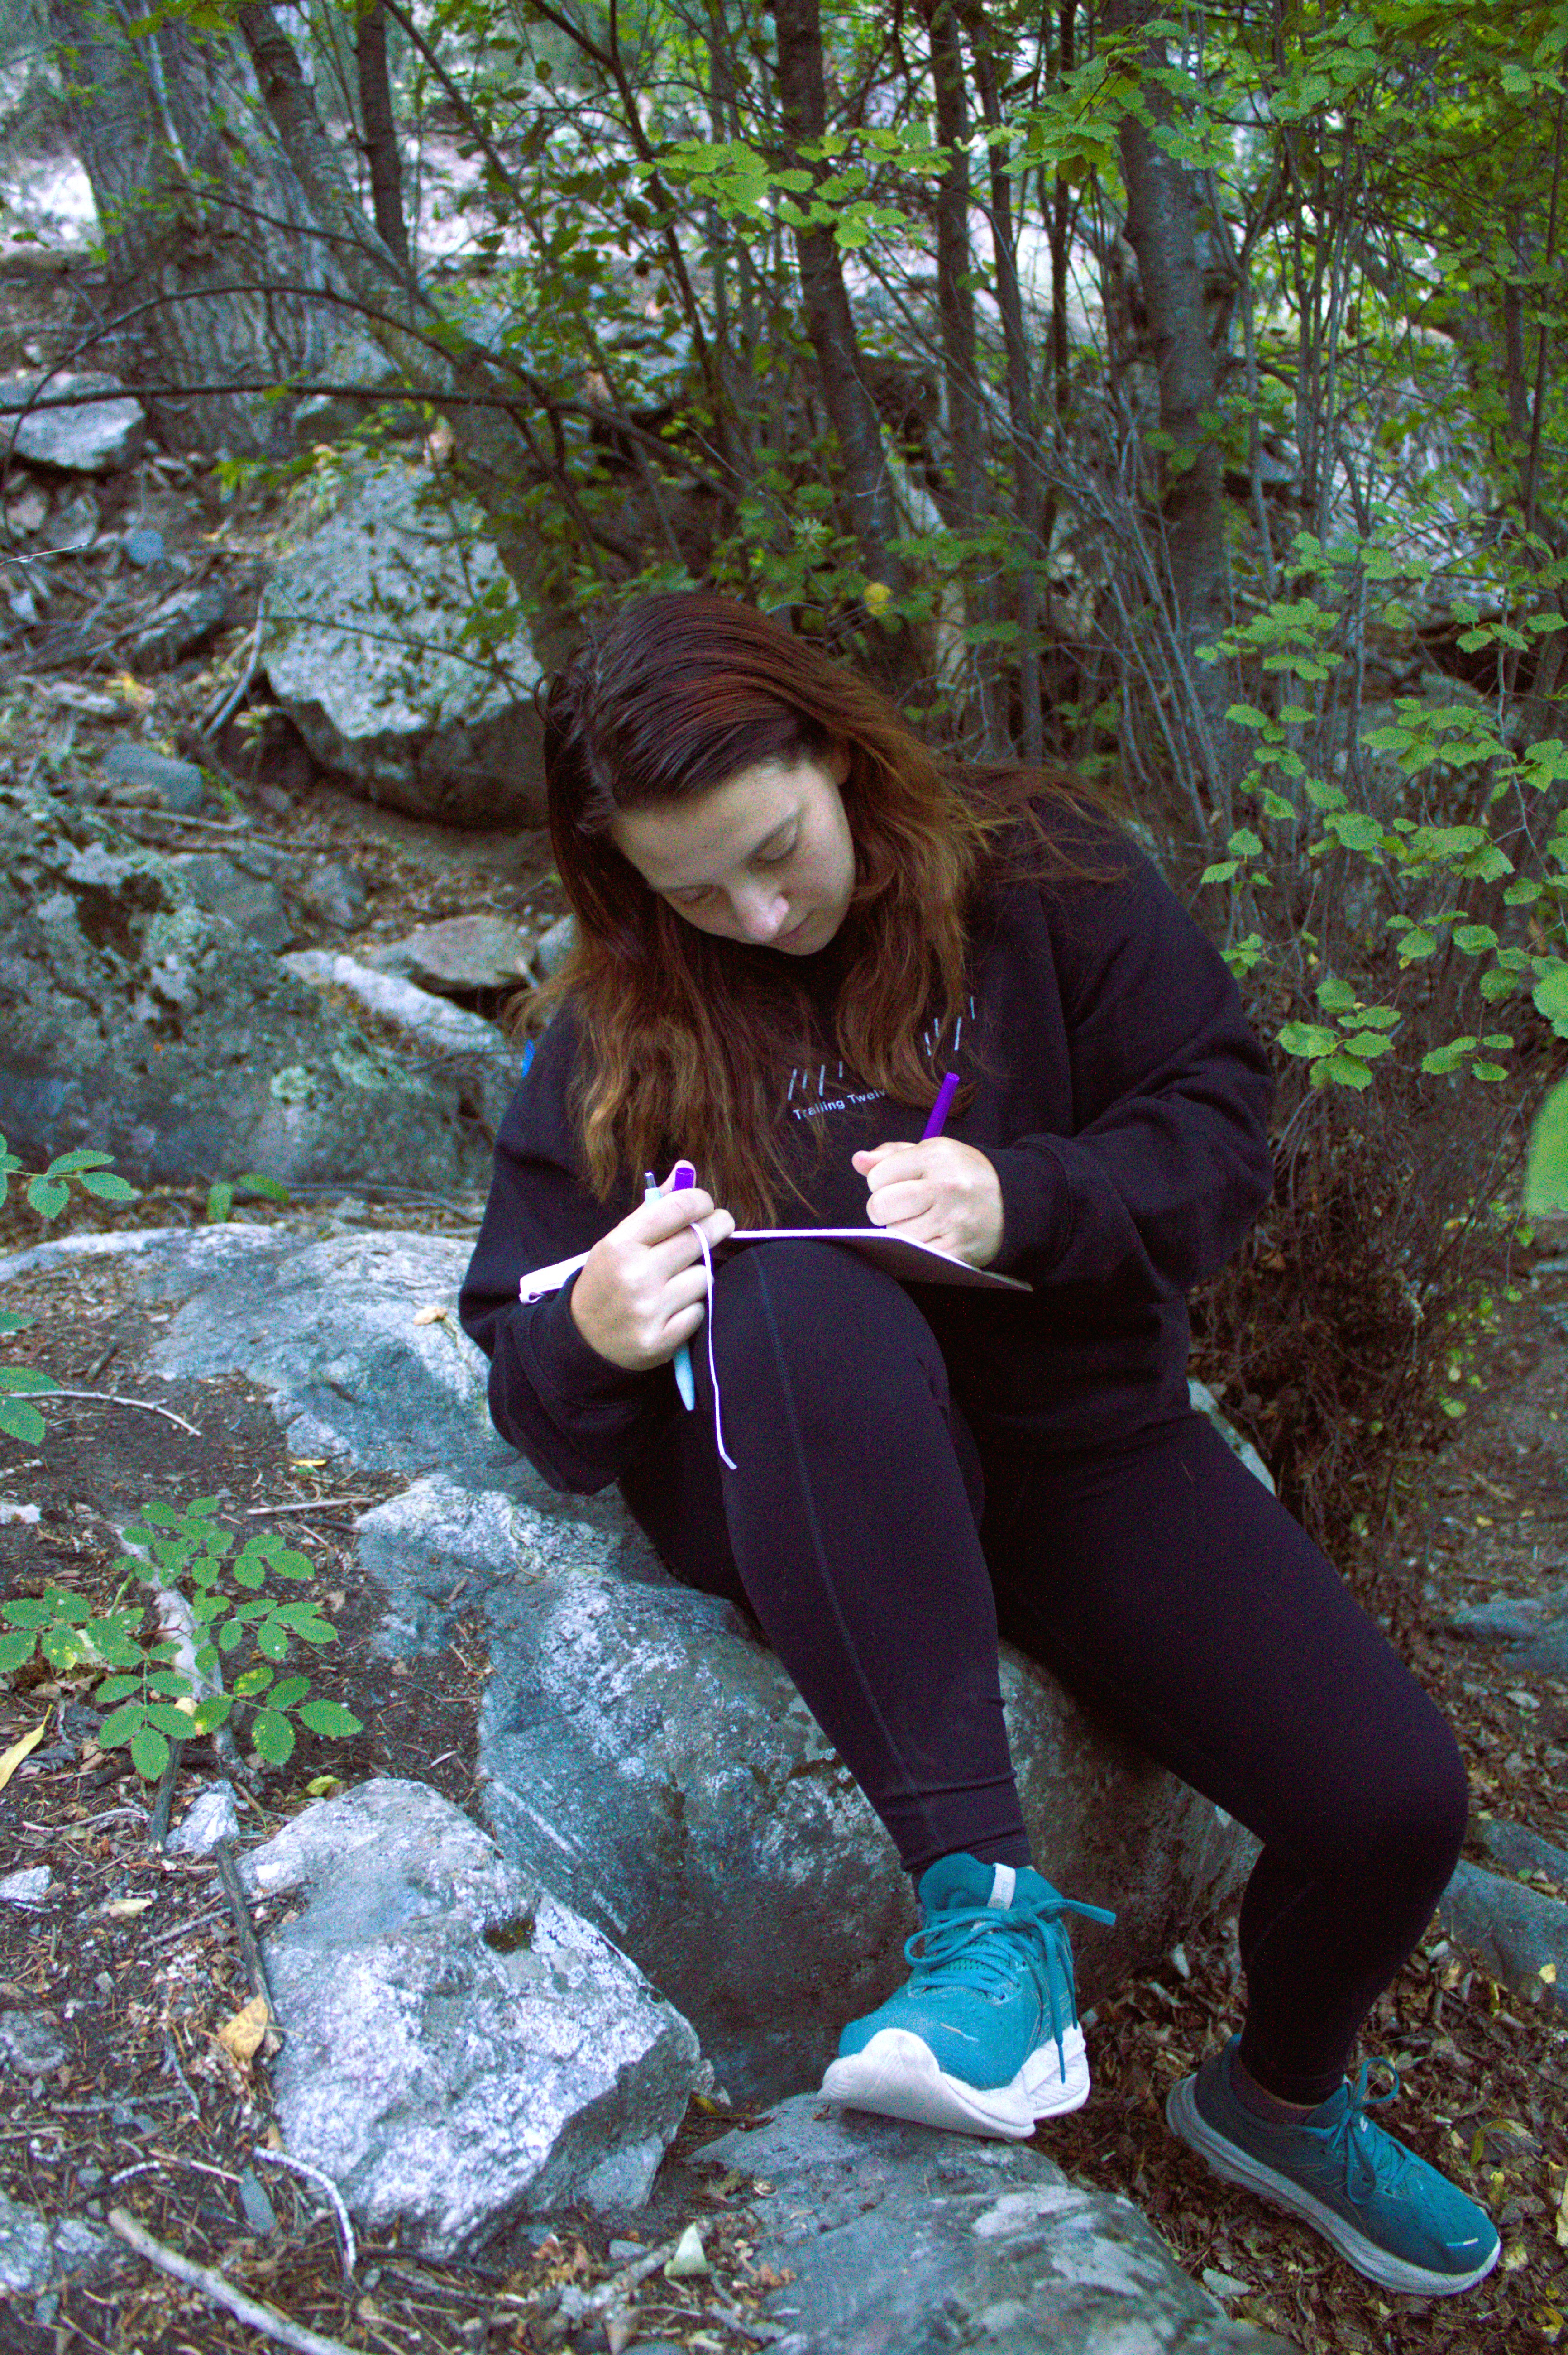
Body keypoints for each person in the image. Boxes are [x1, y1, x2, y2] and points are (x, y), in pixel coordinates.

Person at [459, 591, 1499, 2299]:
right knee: (792, 1298)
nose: (758, 911)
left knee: (1396, 1800)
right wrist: (588, 1335)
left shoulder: (1048, 877)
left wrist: (1031, 1197)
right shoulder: (618, 1025)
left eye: (778, 850)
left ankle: (1282, 2102)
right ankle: (988, 1925)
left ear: (839, 753)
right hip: (807, 1473)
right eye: (695, 889)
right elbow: (525, 1353)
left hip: (1079, 1446)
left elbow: (1222, 1128)